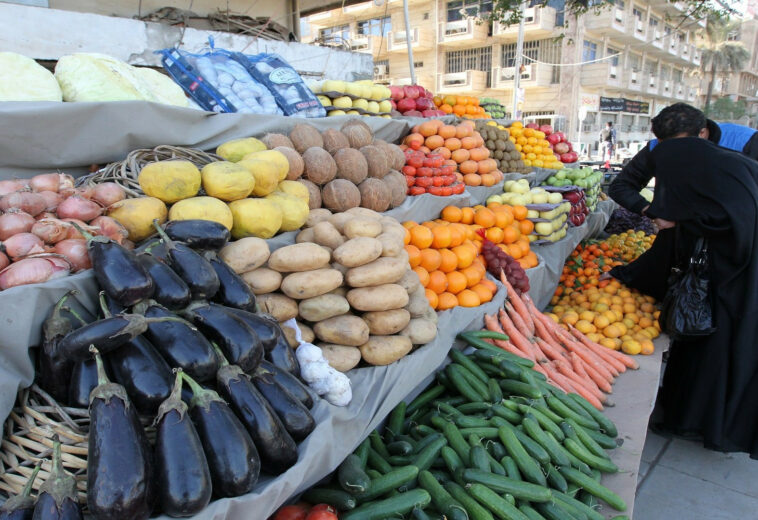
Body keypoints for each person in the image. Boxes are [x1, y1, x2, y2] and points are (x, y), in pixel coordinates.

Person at [641, 109, 758, 457]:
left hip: (737, 271)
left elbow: (728, 222)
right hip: (734, 265)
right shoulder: (720, 163)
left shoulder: (714, 162)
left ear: (704, 134)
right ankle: (690, 415)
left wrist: (681, 223)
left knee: (716, 342)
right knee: (711, 340)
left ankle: (697, 420)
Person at [606, 104, 758, 300]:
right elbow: (621, 186)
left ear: (702, 133)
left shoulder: (745, 143)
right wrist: (651, 211)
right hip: (685, 247)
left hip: (738, 245)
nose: (669, 153)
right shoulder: (657, 148)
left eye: (675, 147)